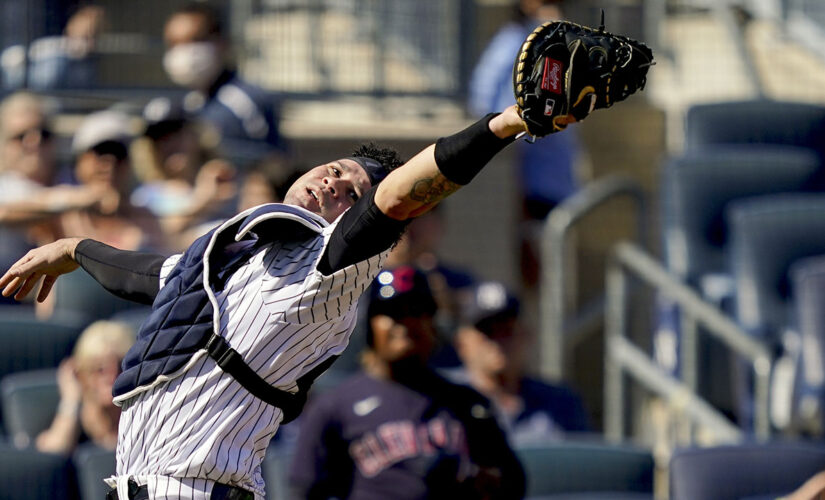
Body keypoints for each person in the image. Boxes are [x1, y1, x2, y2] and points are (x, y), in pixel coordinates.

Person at [0, 105, 566, 499]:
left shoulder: (332, 266)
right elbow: (152, 275)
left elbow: (398, 196)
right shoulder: (246, 255)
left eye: (352, 195)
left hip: (197, 489)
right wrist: (75, 247)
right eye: (339, 170)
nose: (336, 184)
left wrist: (507, 123)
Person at [289, 265, 525, 499]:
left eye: (416, 311)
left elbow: (514, 484)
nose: (405, 323)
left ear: (433, 325)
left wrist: (486, 481)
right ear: (370, 325)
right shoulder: (334, 406)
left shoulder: (467, 403)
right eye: (393, 312)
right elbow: (304, 491)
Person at [468, 0, 587, 289]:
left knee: (552, 290)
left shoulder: (553, 43)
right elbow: (498, 116)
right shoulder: (518, 45)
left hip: (555, 186)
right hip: (530, 190)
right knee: (534, 287)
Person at [452, 281, 590, 444]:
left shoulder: (561, 401)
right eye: (487, 333)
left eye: (507, 331)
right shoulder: (444, 398)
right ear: (462, 343)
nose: (498, 342)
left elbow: (585, 464)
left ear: (526, 336)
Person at [162, 3, 285, 164]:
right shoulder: (186, 105)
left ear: (221, 42)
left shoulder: (246, 102)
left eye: (195, 40)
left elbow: (276, 162)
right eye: (174, 43)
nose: (183, 52)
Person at [130, 97, 238, 250]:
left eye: (177, 134)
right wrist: (203, 202)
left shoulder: (227, 181)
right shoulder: (144, 197)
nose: (171, 144)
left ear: (196, 135)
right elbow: (157, 239)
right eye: (161, 139)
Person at [59, 109, 166, 253]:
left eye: (119, 153)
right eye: (100, 152)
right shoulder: (58, 216)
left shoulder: (147, 219)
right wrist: (80, 199)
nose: (110, 162)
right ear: (80, 161)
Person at [36, 320, 135, 455]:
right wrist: (71, 400)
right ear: (81, 374)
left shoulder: (139, 422)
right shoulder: (70, 423)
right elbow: (52, 457)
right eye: (99, 369)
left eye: (121, 366)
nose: (112, 376)